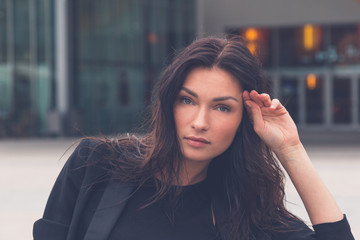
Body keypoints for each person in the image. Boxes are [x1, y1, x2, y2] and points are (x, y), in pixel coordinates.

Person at [33, 36, 354, 240]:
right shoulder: (95, 165)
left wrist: (291, 149)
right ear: (168, 102)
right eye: (187, 100)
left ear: (244, 119)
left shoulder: (249, 213)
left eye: (222, 108)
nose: (200, 122)